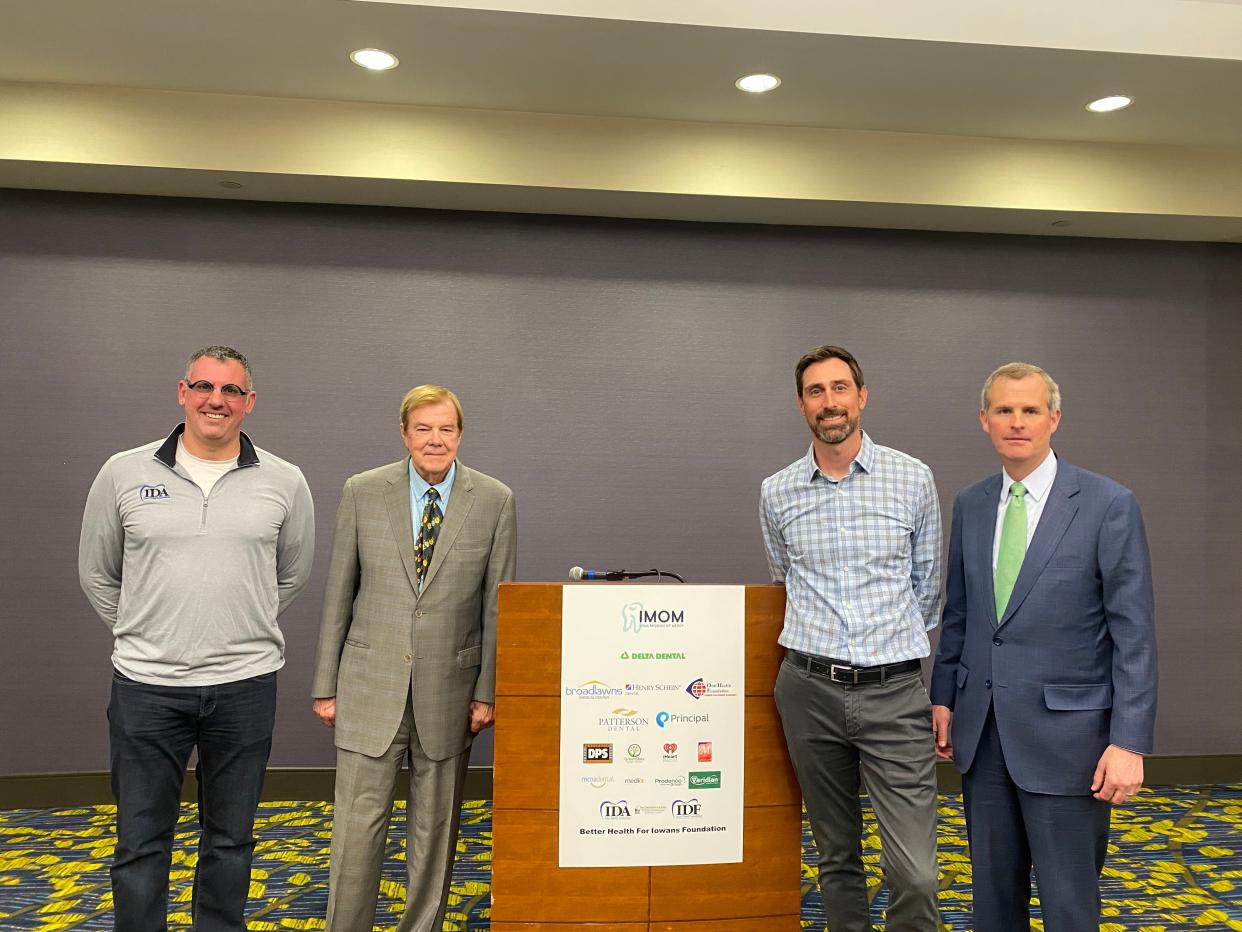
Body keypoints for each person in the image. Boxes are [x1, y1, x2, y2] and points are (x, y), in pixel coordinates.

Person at [78, 345, 315, 931]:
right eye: (205, 387)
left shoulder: (284, 481)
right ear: (182, 392)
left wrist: (235, 623)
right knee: (139, 842)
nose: (217, 400)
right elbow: (97, 572)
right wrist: (149, 627)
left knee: (231, 840)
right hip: (147, 687)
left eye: (232, 391)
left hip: (245, 687)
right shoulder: (123, 472)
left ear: (249, 403)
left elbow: (291, 574)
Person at [931, 362, 1157, 932]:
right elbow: (960, 614)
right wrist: (943, 700)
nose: (1017, 422)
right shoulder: (973, 504)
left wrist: (1128, 740)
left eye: (1030, 410)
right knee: (992, 905)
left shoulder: (1108, 504)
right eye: (1004, 410)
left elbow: (1133, 634)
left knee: (1068, 906)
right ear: (984, 420)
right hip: (982, 738)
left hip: (1070, 744)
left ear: (1054, 418)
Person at [311, 384, 516, 932]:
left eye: (446, 429)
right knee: (357, 830)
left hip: (450, 691)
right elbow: (339, 593)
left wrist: (486, 691)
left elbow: (498, 608)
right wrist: (325, 685)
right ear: (404, 434)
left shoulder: (494, 500)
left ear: (460, 435)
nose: (435, 440)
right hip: (368, 684)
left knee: (437, 829)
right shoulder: (363, 491)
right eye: (423, 429)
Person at [760, 344, 943, 931]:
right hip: (808, 691)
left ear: (862, 397)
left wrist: (879, 646)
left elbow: (928, 587)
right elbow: (784, 579)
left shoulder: (912, 478)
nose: (829, 402)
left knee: (916, 872)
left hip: (894, 692)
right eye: (816, 391)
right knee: (836, 856)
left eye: (840, 388)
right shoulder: (777, 491)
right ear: (801, 406)